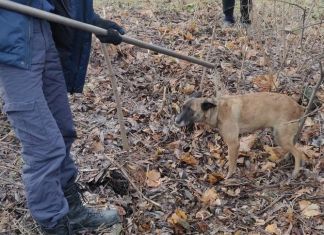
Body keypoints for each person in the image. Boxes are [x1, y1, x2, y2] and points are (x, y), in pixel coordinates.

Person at [0, 0, 125, 234]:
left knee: (62, 130)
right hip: (10, 40)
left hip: (43, 29)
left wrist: (91, 20)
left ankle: (72, 211)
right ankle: (53, 223)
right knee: (44, 145)